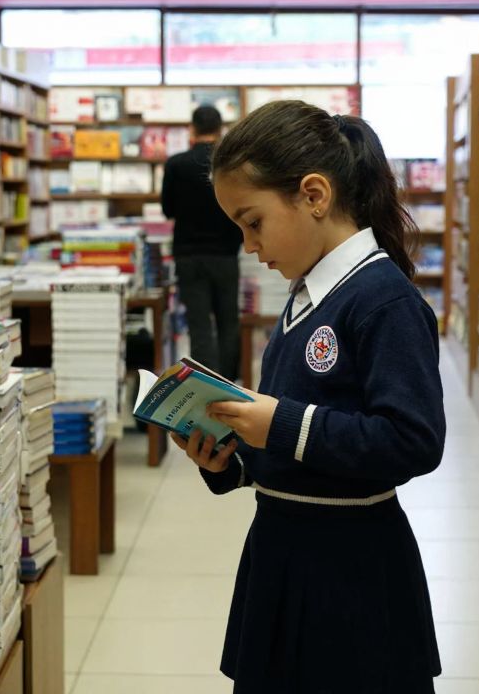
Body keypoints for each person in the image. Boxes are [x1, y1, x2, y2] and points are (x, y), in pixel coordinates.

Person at [171, 100, 445, 693]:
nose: (247, 244)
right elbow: (304, 434)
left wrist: (281, 425)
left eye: (253, 221)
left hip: (353, 570)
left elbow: (413, 440)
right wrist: (234, 458)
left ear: (314, 195)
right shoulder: (304, 296)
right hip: (283, 550)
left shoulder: (383, 300)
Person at [161, 104, 244, 380]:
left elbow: (168, 209)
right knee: (228, 322)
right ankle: (231, 386)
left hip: (189, 255)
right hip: (226, 254)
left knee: (199, 326)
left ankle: (208, 391)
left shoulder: (175, 164)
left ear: (192, 129)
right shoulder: (232, 165)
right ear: (221, 130)